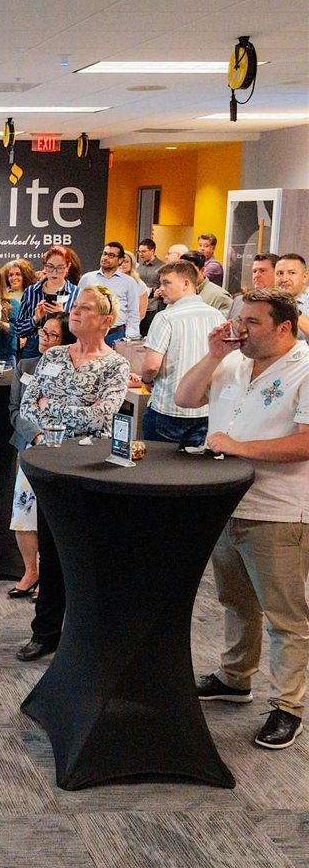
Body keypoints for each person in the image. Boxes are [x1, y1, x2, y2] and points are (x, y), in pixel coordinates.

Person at [175, 289, 309, 750]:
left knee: (285, 615)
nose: (240, 329)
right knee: (236, 601)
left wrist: (238, 447)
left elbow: (306, 442)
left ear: (284, 327)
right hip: (227, 504)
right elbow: (184, 397)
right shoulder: (231, 360)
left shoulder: (304, 368)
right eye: (239, 320)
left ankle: (288, 705)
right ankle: (235, 678)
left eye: (252, 322)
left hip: (279, 510)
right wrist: (214, 354)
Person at [15, 286, 130, 662]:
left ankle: (90, 637)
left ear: (106, 320)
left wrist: (53, 406)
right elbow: (29, 406)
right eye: (75, 306)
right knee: (50, 551)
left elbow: (101, 417)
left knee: (87, 555)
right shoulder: (53, 355)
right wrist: (71, 409)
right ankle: (45, 632)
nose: (76, 312)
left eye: (86, 308)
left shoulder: (115, 365)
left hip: (89, 468)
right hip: (49, 463)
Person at [7, 311, 75, 600]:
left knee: (52, 517)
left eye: (52, 335)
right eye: (42, 333)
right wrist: (36, 437)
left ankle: (50, 575)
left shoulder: (74, 370)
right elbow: (15, 410)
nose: (44, 339)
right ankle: (30, 571)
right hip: (31, 448)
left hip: (63, 450)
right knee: (23, 511)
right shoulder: (26, 365)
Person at [135, 259, 225, 445]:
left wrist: (146, 381)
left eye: (166, 283)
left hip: (168, 410)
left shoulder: (165, 318)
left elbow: (151, 366)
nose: (161, 288)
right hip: (205, 411)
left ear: (186, 284)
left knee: (158, 462)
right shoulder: (217, 316)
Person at [15, 246, 79, 359]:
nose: (54, 272)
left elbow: (80, 330)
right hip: (34, 349)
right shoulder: (31, 292)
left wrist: (63, 316)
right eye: (50, 267)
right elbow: (18, 330)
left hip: (64, 350)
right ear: (45, 266)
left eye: (60, 268)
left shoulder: (76, 293)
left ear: (68, 267)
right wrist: (35, 319)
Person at [77, 241, 144, 343]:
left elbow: (133, 313)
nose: (106, 258)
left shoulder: (129, 282)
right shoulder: (87, 278)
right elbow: (77, 305)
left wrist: (131, 336)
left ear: (120, 260)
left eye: (111, 255)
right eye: (104, 254)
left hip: (116, 334)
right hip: (89, 331)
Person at [274, 253, 309, 339]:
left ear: (305, 277)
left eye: (292, 273)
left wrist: (291, 310)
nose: (284, 279)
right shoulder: (269, 301)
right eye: (280, 273)